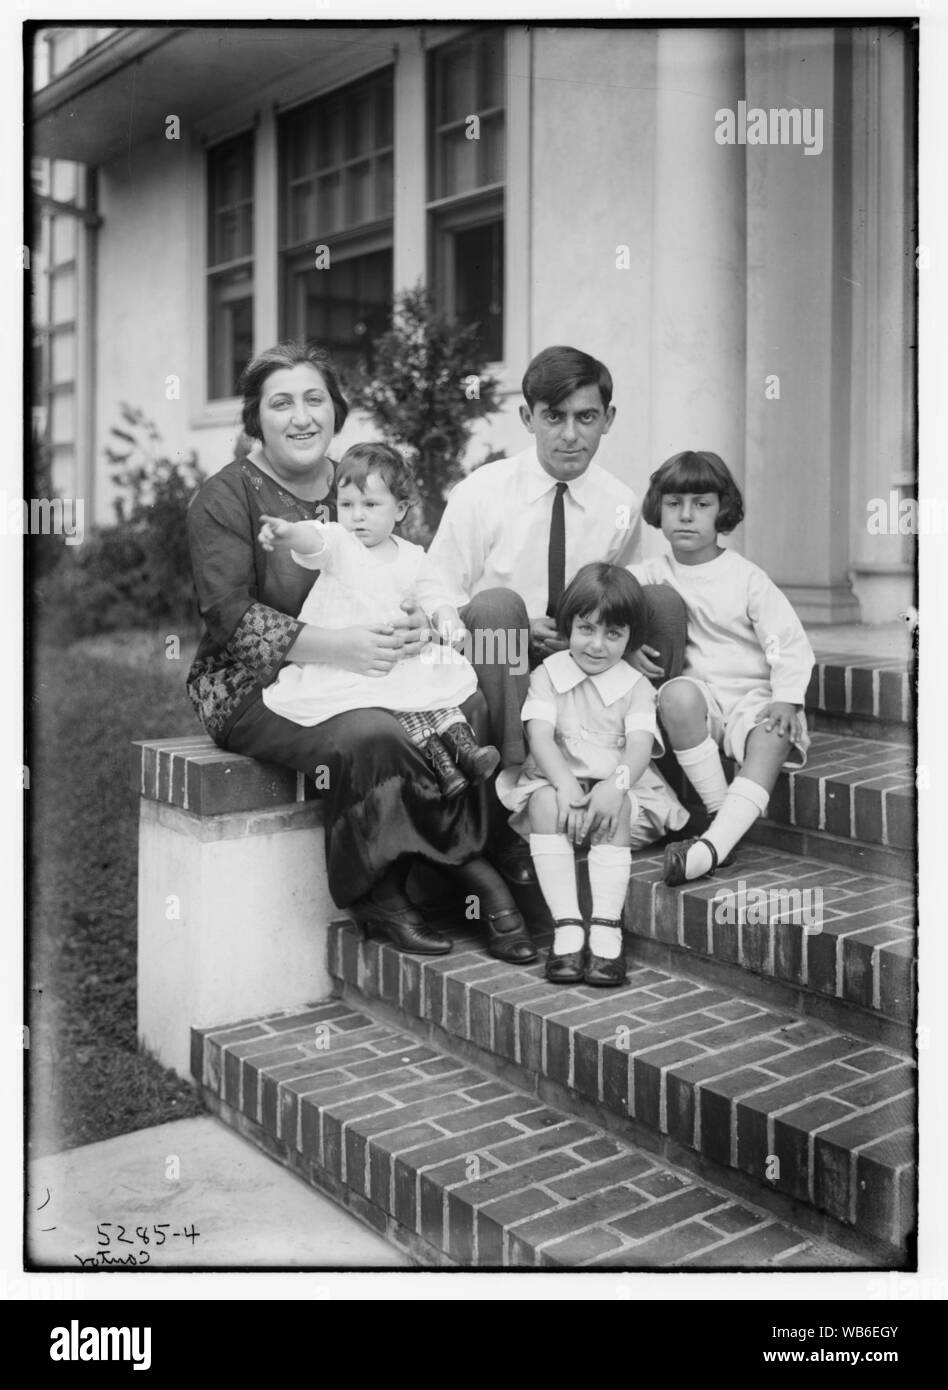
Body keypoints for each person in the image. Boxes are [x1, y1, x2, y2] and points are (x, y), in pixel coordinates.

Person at [185, 341, 535, 964]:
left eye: (314, 399)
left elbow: (404, 569)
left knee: (481, 660)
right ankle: (384, 892)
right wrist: (340, 646)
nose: (301, 417)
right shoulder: (226, 497)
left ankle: (494, 826)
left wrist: (420, 627)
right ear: (254, 418)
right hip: (258, 684)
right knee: (373, 733)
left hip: (382, 665)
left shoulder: (359, 477)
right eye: (281, 402)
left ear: (336, 408)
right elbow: (229, 617)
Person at [427, 345, 689, 881]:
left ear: (607, 420)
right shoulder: (483, 493)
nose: (570, 435)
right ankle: (511, 813)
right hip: (500, 662)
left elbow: (626, 588)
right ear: (528, 418)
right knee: (498, 606)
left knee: (661, 602)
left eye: (586, 417)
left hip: (583, 660)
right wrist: (516, 633)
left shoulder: (618, 502)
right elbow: (436, 593)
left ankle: (649, 784)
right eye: (554, 417)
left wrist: (628, 632)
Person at [257, 441, 500, 800]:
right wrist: (289, 533)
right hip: (353, 662)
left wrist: (447, 617)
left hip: (400, 656)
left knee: (432, 688)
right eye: (346, 505)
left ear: (399, 509)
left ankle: (465, 749)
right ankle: (440, 763)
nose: (356, 516)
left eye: (370, 505)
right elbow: (315, 541)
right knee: (394, 703)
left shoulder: (413, 556)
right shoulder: (342, 545)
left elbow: (434, 594)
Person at [627, 450, 814, 885]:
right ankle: (718, 816)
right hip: (701, 702)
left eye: (701, 504)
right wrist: (629, 646)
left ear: (722, 510)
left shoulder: (746, 577)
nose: (686, 516)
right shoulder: (651, 573)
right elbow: (602, 601)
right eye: (674, 504)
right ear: (659, 509)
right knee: (675, 692)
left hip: (754, 698)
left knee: (773, 732)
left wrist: (786, 698)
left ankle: (715, 844)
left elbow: (787, 642)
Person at [497, 564, 689, 986]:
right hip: (560, 790)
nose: (597, 645)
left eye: (613, 634)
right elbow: (540, 736)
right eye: (586, 629)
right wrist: (565, 784)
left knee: (616, 805)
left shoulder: (635, 684)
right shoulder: (548, 675)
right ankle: (567, 928)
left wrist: (613, 787)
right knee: (544, 800)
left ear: (631, 640)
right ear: (569, 625)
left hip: (618, 794)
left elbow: (639, 746)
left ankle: (605, 929)